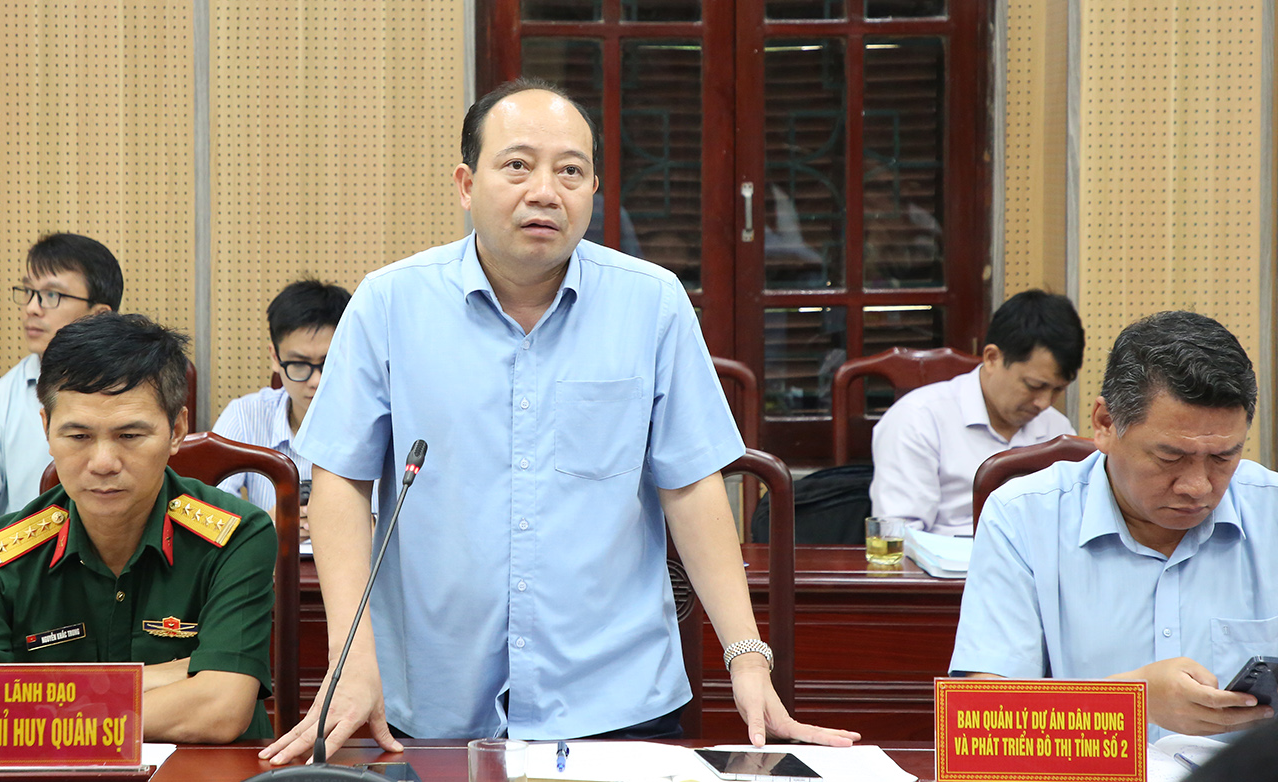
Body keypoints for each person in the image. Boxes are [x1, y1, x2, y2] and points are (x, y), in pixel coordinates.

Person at [261, 79, 860, 764]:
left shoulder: (652, 304)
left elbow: (691, 486)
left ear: (593, 190)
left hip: (615, 698)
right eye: (517, 165)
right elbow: (341, 481)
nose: (544, 191)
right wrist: (352, 656)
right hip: (426, 696)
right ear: (466, 184)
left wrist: (746, 657)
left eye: (570, 171)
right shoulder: (389, 304)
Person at [0, 312, 276, 743]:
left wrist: (28, 699)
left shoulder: (236, 536)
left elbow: (219, 710)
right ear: (47, 429)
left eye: (129, 436)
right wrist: (162, 677)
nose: (103, 463)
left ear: (177, 430)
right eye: (79, 436)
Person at [950, 310, 1278, 738]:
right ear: (1105, 424)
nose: (1197, 487)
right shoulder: (1023, 518)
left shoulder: (1270, 511)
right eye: (1170, 457)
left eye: (1222, 457)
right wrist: (1128, 701)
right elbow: (982, 723)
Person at [0, 233, 124, 537]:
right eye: (29, 292)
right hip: (25, 561)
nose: (32, 308)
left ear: (99, 315)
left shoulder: (138, 394)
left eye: (52, 295)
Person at [868, 289, 1084, 534]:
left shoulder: (1057, 429)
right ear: (992, 358)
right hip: (947, 556)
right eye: (1034, 386)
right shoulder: (918, 419)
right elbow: (897, 534)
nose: (1044, 403)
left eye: (1058, 390)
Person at [214, 278, 351, 539]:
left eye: (328, 363)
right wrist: (263, 526)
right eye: (299, 364)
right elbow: (202, 515)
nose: (316, 381)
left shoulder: (382, 422)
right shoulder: (245, 416)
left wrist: (369, 527)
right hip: (270, 562)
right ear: (275, 358)